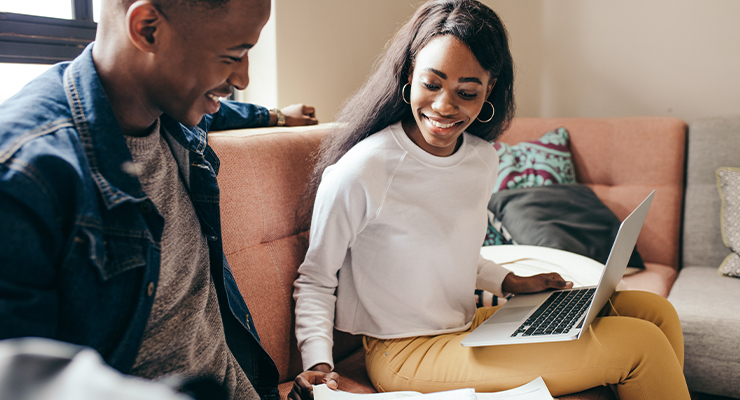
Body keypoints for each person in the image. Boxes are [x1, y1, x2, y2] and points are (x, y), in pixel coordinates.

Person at [290, 1, 689, 399]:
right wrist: (319, 363)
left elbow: (455, 248)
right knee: (641, 345)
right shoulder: (363, 169)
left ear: (489, 90)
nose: (445, 107)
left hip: (464, 328)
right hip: (404, 353)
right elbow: (316, 279)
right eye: (431, 84)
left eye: (466, 92)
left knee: (656, 313)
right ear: (409, 74)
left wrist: (511, 281)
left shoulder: (481, 158)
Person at [0, 0, 317, 399]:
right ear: (148, 29)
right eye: (233, 56)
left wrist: (276, 116)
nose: (242, 75)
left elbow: (221, 112)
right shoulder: (27, 175)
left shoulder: (170, 109)